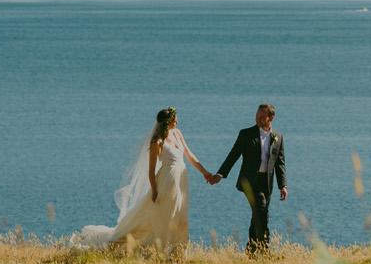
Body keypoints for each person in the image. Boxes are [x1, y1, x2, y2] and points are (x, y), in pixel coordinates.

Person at [70, 107, 215, 256]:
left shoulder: (177, 133)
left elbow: (189, 155)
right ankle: (162, 250)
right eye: (174, 119)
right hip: (167, 181)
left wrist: (204, 172)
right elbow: (151, 169)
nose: (177, 122)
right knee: (167, 215)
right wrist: (154, 190)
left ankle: (178, 249)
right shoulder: (157, 142)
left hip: (181, 180)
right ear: (167, 122)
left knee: (181, 214)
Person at [211, 103, 287, 254]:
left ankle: (251, 251)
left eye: (262, 117)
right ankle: (265, 251)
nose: (258, 119)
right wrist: (220, 174)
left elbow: (280, 163)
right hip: (250, 182)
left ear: (271, 118)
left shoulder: (278, 136)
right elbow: (233, 155)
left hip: (267, 182)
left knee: (257, 216)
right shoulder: (246, 134)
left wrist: (283, 185)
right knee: (262, 212)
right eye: (257, 116)